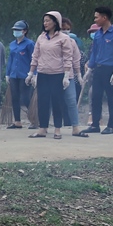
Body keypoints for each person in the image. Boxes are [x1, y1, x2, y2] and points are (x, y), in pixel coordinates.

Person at [28, 11, 73, 139]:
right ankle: (43, 128)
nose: (45, 23)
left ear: (55, 22)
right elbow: (35, 56)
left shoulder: (63, 38)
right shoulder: (41, 37)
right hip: (43, 74)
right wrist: (31, 73)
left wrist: (66, 75)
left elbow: (67, 57)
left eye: (48, 20)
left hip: (57, 74)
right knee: (42, 102)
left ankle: (57, 129)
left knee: (57, 101)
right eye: (44, 21)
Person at [81, 6, 113, 135]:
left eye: (97, 17)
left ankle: (111, 126)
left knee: (111, 98)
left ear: (105, 17)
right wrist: (89, 69)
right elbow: (94, 53)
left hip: (110, 70)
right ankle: (95, 125)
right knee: (95, 97)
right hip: (97, 69)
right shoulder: (97, 34)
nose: (95, 19)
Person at [5, 20, 35, 129]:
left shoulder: (30, 44)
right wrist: (7, 73)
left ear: (25, 31)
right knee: (15, 98)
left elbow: (34, 59)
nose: (16, 32)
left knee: (26, 98)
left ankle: (34, 119)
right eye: (15, 30)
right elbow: (10, 59)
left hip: (25, 74)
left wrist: (33, 74)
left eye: (18, 30)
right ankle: (17, 121)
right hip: (14, 74)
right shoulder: (12, 44)